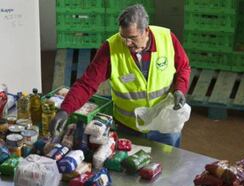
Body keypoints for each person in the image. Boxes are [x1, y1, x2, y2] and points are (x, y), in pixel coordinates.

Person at [50, 4, 191, 147]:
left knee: (168, 164)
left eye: (132, 37)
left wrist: (180, 89)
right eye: (123, 37)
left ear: (146, 31)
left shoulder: (167, 39)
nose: (127, 43)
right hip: (129, 127)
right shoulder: (111, 48)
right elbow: (87, 84)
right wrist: (65, 110)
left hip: (164, 123)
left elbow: (183, 67)